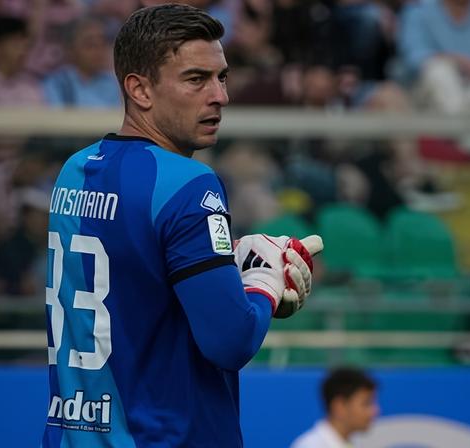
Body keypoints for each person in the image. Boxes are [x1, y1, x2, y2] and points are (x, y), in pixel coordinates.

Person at [41, 4, 323, 447]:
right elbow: (230, 341)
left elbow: (142, 288)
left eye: (221, 77)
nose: (220, 96)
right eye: (196, 79)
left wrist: (225, 267)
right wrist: (263, 286)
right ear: (139, 89)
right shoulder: (188, 184)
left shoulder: (73, 171)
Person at [291, 367, 379, 448]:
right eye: (366, 403)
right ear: (339, 406)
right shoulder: (311, 445)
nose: (375, 410)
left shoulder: (352, 443)